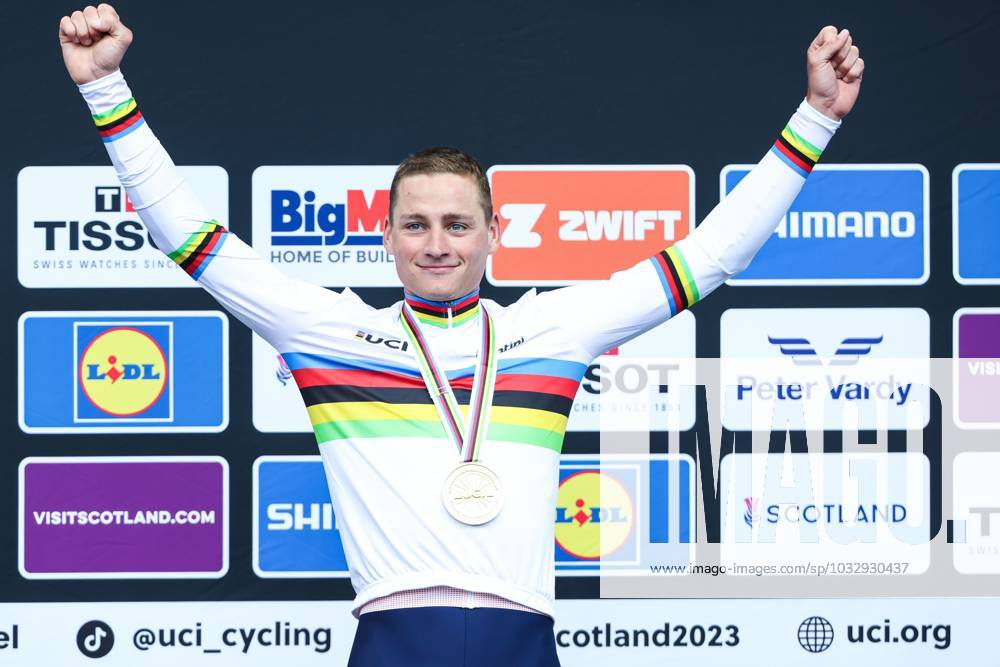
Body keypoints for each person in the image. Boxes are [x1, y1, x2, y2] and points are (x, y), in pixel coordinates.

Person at [59, 5, 863, 666]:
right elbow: (188, 235)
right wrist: (106, 91)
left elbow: (713, 255)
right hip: (391, 641)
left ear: (492, 233)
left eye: (456, 223)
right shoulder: (329, 332)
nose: (436, 242)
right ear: (387, 235)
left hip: (525, 638)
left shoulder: (556, 325)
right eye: (415, 224)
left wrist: (816, 119)